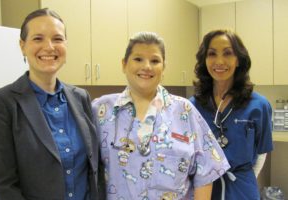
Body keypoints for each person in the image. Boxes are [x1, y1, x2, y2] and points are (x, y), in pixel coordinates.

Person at [92, 31, 230, 200]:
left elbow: (206, 173)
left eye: (155, 60)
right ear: (124, 64)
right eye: (138, 59)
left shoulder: (184, 110)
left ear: (163, 67)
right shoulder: (101, 110)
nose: (147, 66)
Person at [0, 8, 104, 200]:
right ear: (22, 46)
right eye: (38, 38)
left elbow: (94, 168)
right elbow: (4, 185)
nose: (49, 47)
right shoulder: (0, 104)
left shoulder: (81, 97)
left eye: (57, 39)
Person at [189, 29, 273, 200]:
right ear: (204, 60)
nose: (219, 61)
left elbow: (261, 154)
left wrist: (243, 181)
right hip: (203, 189)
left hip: (242, 190)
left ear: (238, 60)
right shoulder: (191, 107)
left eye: (228, 53)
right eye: (212, 54)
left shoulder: (259, 106)